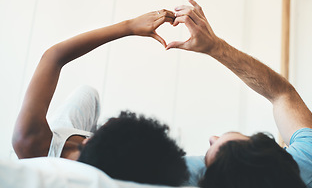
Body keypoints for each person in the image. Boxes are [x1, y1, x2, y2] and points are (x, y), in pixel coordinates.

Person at [166, 0, 312, 188]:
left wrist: (128, 27)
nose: (212, 138)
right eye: (246, 142)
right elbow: (282, 93)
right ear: (273, 151)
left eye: (210, 158)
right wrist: (214, 46)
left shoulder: (190, 175)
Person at [12, 10, 189, 186]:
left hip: (53, 148)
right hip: (80, 153)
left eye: (109, 125)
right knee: (89, 94)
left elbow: (53, 57)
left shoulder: (31, 142)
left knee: (87, 93)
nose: (112, 119)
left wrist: (129, 26)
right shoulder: (101, 161)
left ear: (89, 141)